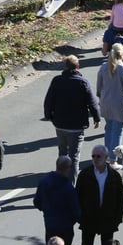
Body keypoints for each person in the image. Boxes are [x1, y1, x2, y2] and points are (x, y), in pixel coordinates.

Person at [43, 55, 101, 184]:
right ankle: (71, 185)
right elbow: (92, 102)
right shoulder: (82, 82)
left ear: (65, 66)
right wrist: (96, 117)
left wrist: (49, 116)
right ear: (78, 66)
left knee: (62, 154)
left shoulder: (56, 80)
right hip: (76, 126)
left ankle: (60, 181)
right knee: (74, 157)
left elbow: (48, 100)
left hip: (60, 124)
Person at [76, 144, 123, 245]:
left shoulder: (114, 176)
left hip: (107, 221)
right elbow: (77, 197)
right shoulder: (85, 174)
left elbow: (121, 199)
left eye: (98, 156)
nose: (95, 159)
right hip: (89, 220)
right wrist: (80, 218)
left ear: (106, 158)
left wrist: (117, 220)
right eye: (93, 156)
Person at [34, 157, 82, 245]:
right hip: (65, 227)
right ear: (67, 169)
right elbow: (75, 210)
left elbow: (37, 202)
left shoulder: (44, 181)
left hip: (50, 224)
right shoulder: (68, 187)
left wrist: (47, 210)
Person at [96, 43, 123, 153]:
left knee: (109, 129)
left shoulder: (103, 67)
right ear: (122, 54)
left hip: (106, 103)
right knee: (117, 131)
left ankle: (106, 155)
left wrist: (101, 98)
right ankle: (113, 158)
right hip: (119, 106)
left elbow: (98, 88)